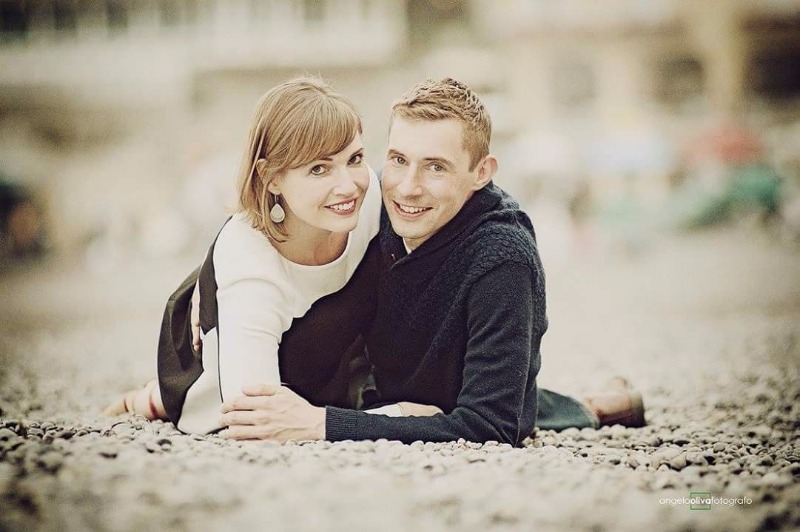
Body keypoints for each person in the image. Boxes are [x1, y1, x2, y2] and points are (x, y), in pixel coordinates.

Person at [210, 78, 646, 445]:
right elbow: (273, 250)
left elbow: (492, 424)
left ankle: (596, 407)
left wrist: (321, 426)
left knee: (508, 401)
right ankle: (595, 403)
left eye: (435, 167)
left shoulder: (502, 260)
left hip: (433, 394)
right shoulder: (368, 199)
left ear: (482, 172)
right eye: (398, 160)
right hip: (373, 381)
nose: (407, 188)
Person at [104, 77, 439, 433]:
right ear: (272, 177)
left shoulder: (369, 192)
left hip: (331, 347)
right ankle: (152, 398)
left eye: (354, 158)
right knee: (195, 395)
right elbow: (255, 421)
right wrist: (403, 416)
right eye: (319, 168)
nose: (348, 185)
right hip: (214, 361)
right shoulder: (250, 267)